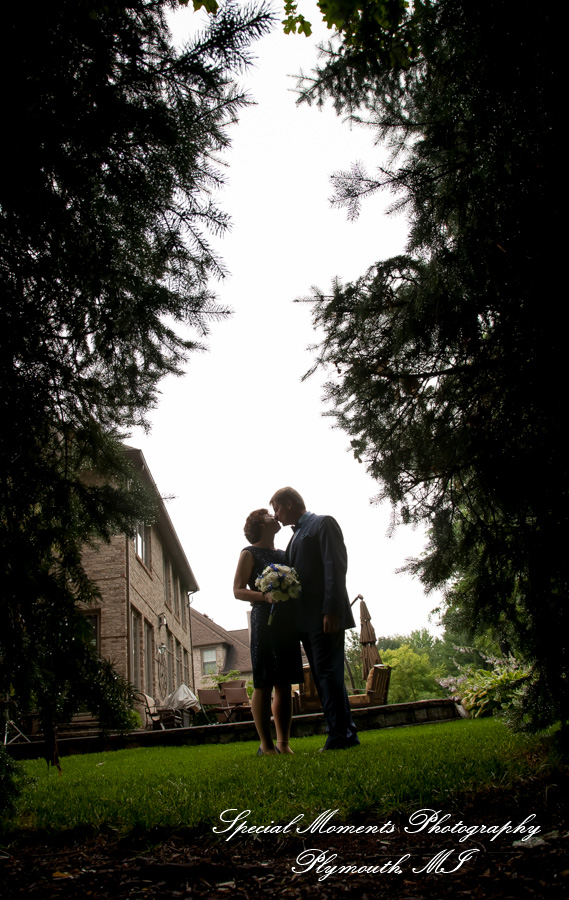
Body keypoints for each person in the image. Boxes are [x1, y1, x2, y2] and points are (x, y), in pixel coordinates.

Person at [270, 487, 359, 750]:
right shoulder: (294, 538)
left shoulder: (323, 523)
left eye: (277, 508)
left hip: (324, 616)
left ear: (289, 504)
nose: (275, 515)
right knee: (324, 676)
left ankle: (339, 736)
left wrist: (331, 610)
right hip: (306, 622)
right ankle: (345, 732)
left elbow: (335, 567)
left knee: (328, 674)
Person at [233, 508, 303, 755]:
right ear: (259, 524)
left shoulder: (285, 554)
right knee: (264, 682)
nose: (275, 516)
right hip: (264, 621)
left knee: (284, 683)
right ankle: (266, 744)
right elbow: (238, 590)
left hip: (287, 622)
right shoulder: (249, 553)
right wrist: (264, 596)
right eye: (268, 515)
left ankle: (283, 743)